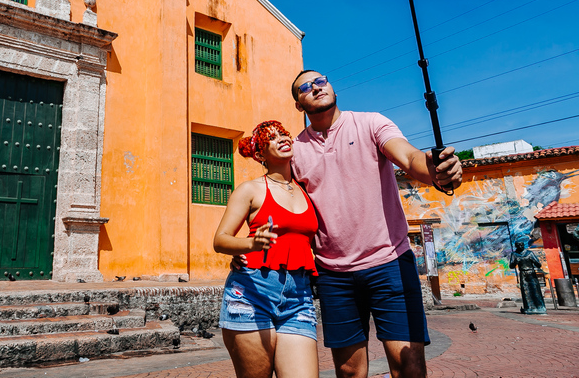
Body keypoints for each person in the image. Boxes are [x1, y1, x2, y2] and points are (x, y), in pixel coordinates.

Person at [235, 71, 463, 378]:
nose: (316, 88)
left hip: (390, 263)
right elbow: (277, 198)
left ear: (332, 88)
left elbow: (409, 158)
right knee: (348, 370)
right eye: (305, 88)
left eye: (321, 81)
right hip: (333, 275)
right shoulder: (297, 151)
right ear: (298, 105)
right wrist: (246, 247)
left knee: (408, 365)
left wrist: (435, 170)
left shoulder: (370, 123)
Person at [213, 120, 320, 378]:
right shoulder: (250, 189)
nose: (282, 138)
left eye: (283, 134)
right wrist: (251, 244)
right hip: (252, 292)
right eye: (272, 138)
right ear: (260, 154)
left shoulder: (308, 189)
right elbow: (220, 240)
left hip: (300, 297)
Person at [509, 240, 546, 314]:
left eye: (521, 245)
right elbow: (511, 266)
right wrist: (515, 262)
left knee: (535, 289)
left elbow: (539, 264)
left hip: (531, 272)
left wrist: (534, 261)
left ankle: (540, 307)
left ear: (523, 245)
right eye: (518, 245)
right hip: (523, 273)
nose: (520, 246)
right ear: (516, 246)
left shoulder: (529, 253)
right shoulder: (514, 254)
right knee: (525, 290)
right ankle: (529, 307)